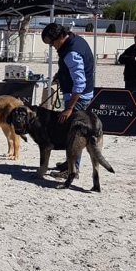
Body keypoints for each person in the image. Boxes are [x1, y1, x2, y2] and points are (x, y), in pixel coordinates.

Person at [41, 23, 94, 174]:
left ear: (60, 37)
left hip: (77, 98)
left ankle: (73, 169)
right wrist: (60, 76)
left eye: (52, 43)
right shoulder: (74, 40)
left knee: (74, 134)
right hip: (76, 95)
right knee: (71, 131)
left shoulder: (71, 52)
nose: (52, 46)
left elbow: (79, 83)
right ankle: (69, 162)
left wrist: (70, 108)